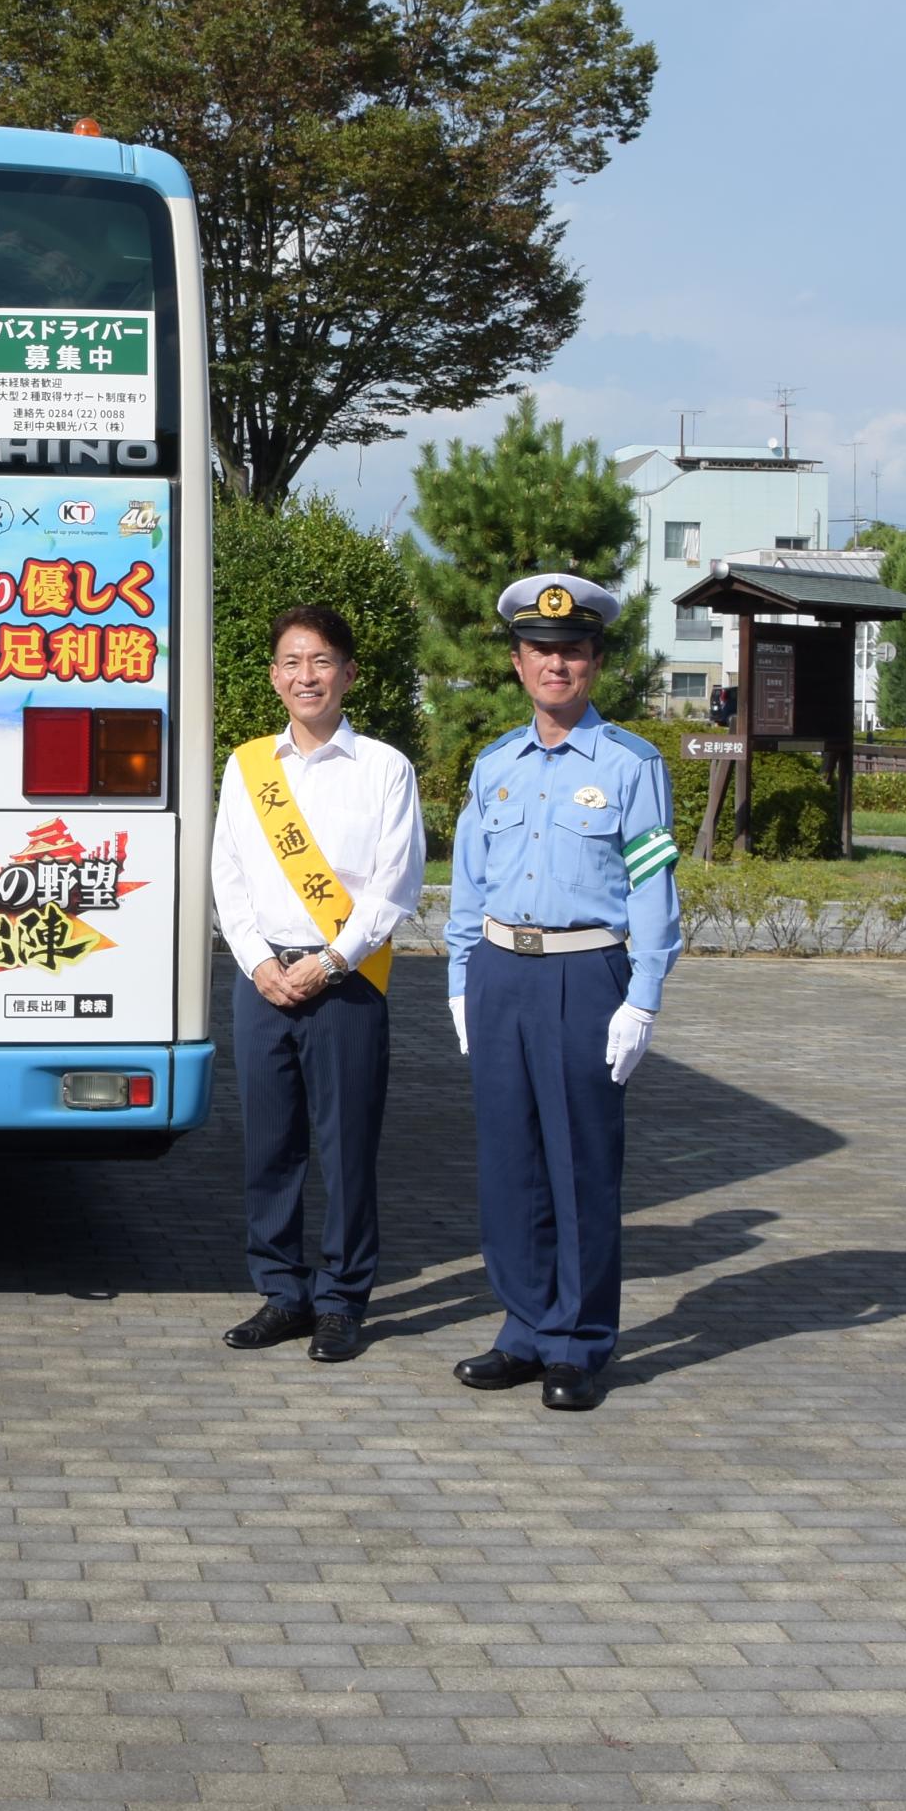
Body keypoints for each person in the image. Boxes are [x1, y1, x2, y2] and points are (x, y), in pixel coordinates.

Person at [444, 572, 684, 1412]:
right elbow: (468, 883)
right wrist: (457, 980)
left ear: (594, 663)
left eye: (572, 652)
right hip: (502, 972)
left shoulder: (630, 766)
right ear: (516, 663)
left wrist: (643, 996)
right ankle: (522, 1329)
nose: (557, 665)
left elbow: (653, 886)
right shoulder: (494, 766)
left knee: (579, 1164)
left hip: (587, 974)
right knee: (509, 1163)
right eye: (541, 652)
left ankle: (578, 1343)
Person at [209, 603, 422, 1366]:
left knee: (346, 1149)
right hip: (261, 979)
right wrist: (257, 962)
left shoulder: (384, 768)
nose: (307, 676)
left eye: (322, 661)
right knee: (269, 1146)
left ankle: (340, 1300)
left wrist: (329, 961)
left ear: (348, 674)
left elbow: (396, 883)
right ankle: (281, 1292)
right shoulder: (246, 767)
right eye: (292, 662)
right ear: (273, 677)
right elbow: (226, 872)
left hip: (347, 980)